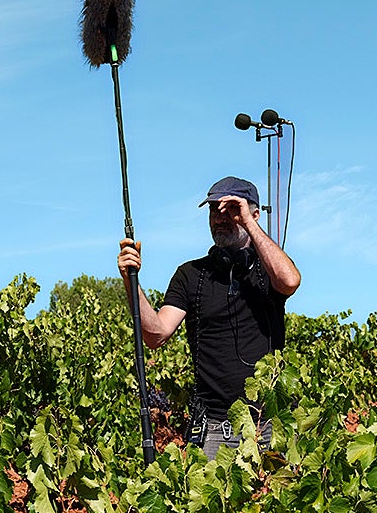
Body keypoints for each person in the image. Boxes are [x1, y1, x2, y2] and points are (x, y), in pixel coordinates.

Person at [117, 176, 300, 455]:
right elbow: (156, 334)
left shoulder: (267, 270)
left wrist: (248, 224)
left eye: (231, 209)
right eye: (215, 210)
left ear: (254, 213)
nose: (221, 217)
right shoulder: (190, 275)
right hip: (215, 428)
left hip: (270, 426)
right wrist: (131, 281)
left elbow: (290, 281)